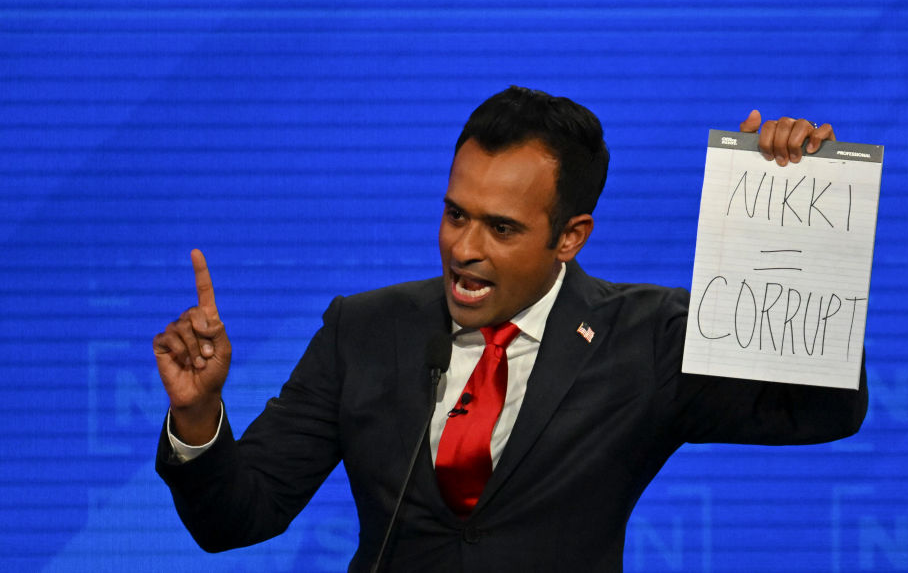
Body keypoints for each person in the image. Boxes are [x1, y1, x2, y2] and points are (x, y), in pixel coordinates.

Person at [154, 86, 867, 572]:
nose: (464, 248)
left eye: (501, 228)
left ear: (570, 236)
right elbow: (236, 518)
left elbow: (820, 407)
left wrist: (782, 222)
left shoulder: (645, 340)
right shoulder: (364, 330)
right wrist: (197, 414)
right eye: (456, 213)